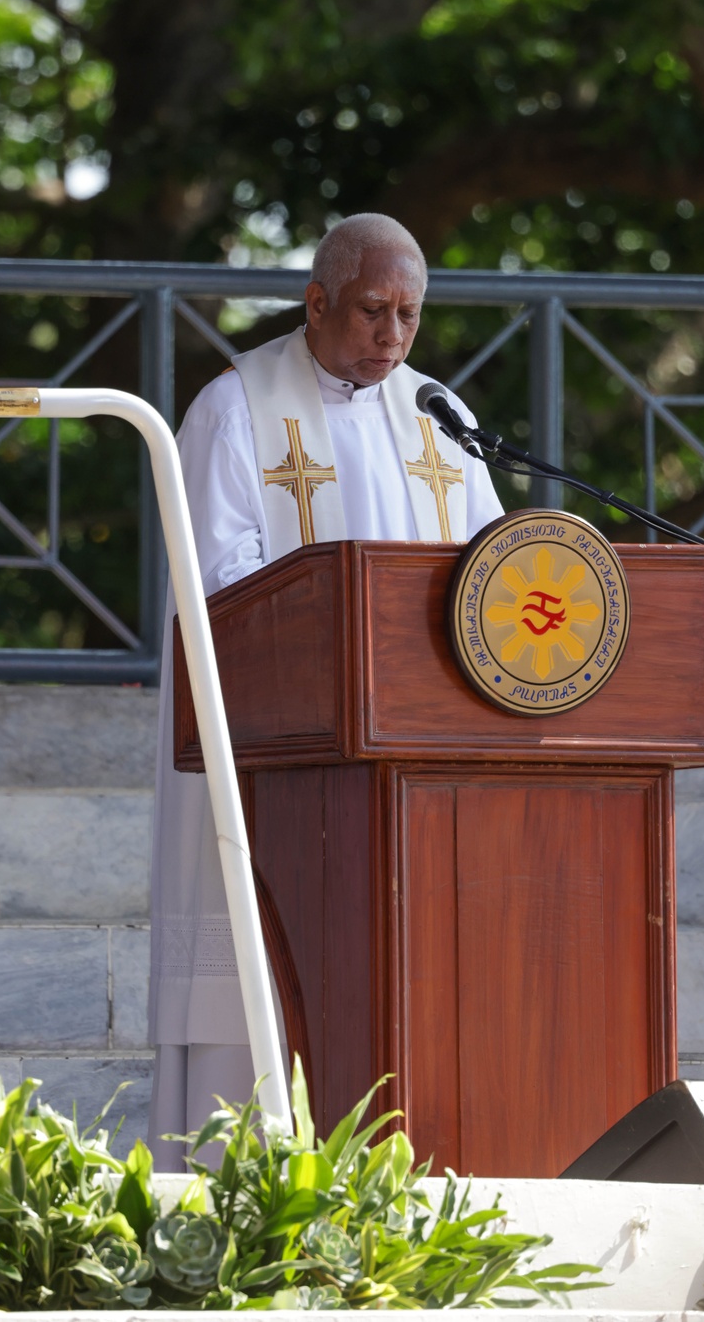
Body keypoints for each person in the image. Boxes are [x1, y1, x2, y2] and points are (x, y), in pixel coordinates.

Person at [147, 212, 503, 1167]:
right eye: (373, 310)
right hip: (283, 758)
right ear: (317, 302)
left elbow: (495, 571)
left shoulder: (439, 412)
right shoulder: (236, 408)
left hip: (418, 760)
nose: (392, 336)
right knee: (264, 993)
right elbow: (213, 589)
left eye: (410, 317)